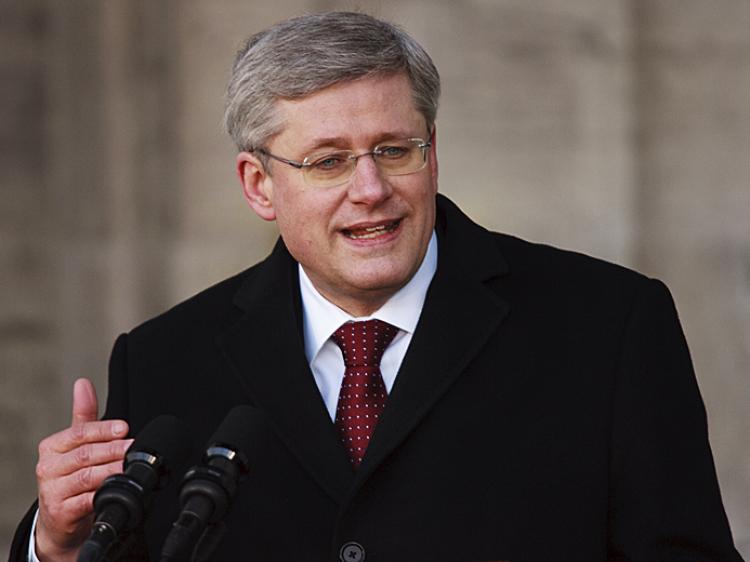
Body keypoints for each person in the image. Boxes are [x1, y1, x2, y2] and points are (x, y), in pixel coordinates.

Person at [10, 11, 744, 562]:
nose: (371, 189)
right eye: (328, 161)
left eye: (394, 150)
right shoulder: (164, 360)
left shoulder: (607, 326)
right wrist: (56, 541)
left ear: (433, 153)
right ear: (259, 185)